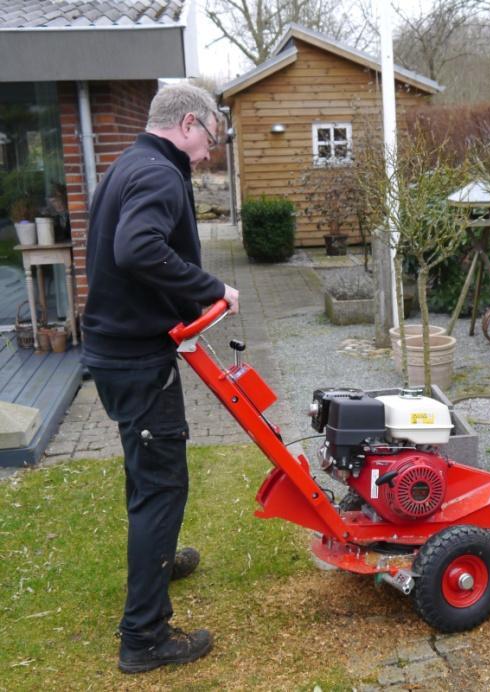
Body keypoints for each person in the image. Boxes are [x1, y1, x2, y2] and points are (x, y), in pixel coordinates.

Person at [81, 83, 239, 674]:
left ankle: (159, 559)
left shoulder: (130, 162)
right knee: (162, 486)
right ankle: (144, 638)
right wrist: (210, 288)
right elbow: (137, 248)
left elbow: (131, 252)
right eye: (210, 144)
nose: (206, 158)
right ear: (190, 124)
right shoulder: (159, 173)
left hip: (116, 350)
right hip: (135, 358)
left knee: (144, 474)